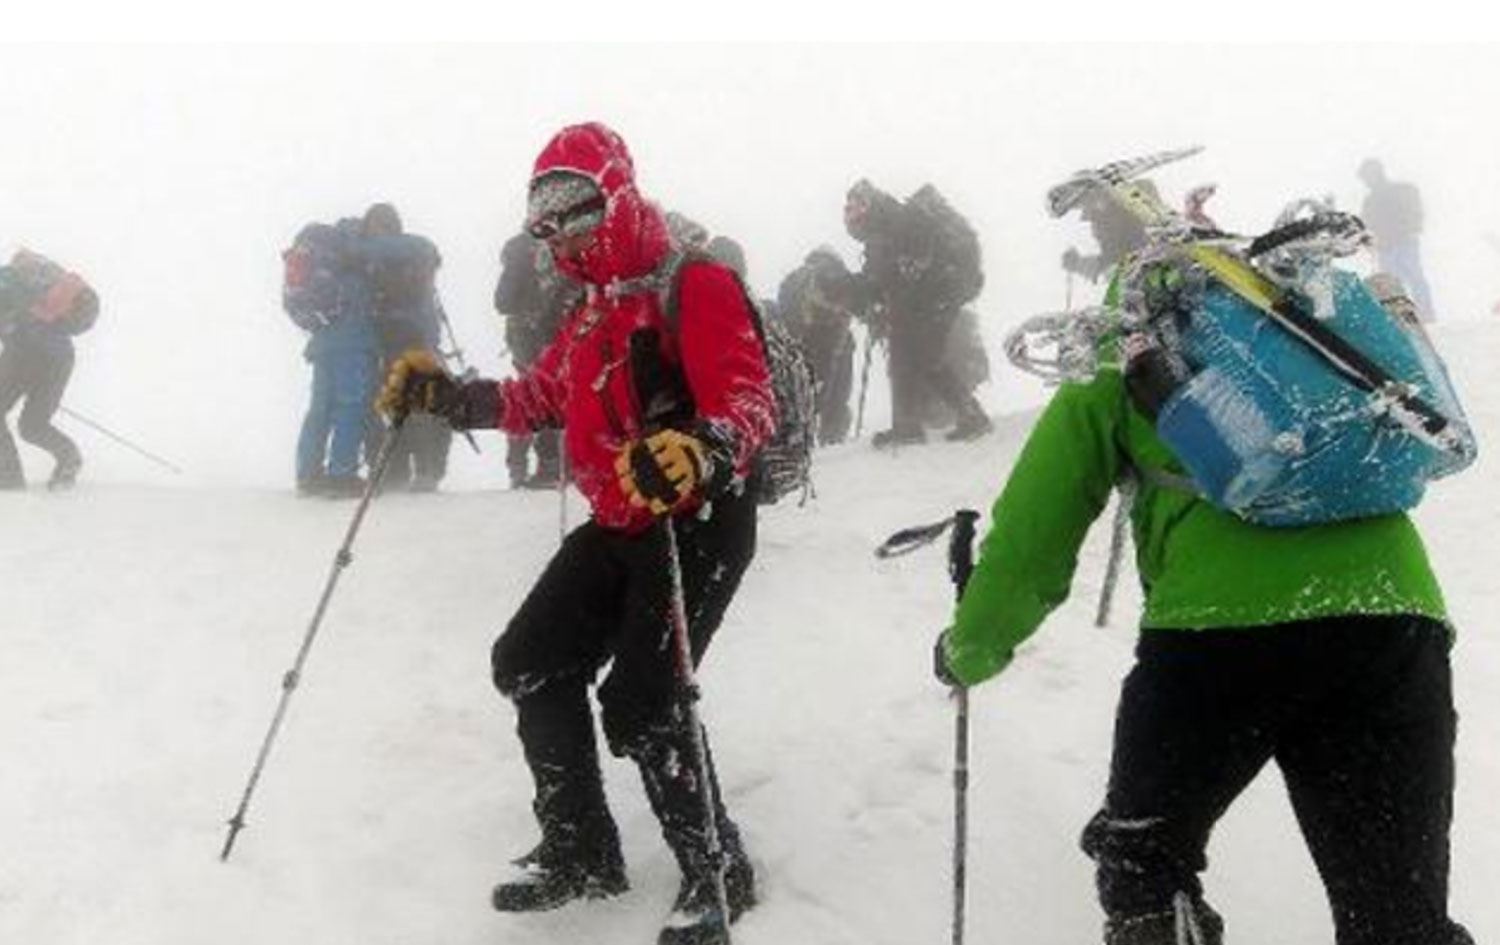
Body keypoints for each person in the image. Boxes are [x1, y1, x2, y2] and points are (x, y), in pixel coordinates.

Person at [936, 229, 1474, 945]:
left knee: (1145, 864)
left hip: (1216, 641)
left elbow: (1038, 530)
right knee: (1398, 914)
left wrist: (971, 646)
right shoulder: (1305, 336)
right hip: (1393, 622)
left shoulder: (1120, 353)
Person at [376, 121, 773, 945]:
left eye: (576, 208)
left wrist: (703, 446)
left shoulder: (692, 281)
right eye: (544, 220)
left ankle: (718, 868)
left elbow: (749, 403)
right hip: (622, 518)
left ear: (617, 193)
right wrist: (449, 398)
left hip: (695, 521)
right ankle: (582, 848)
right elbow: (539, 398)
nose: (561, 232)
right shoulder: (593, 308)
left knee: (640, 699)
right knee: (529, 659)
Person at [844, 179, 991, 448]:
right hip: (936, 295)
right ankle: (954, 417)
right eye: (849, 208)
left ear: (870, 204)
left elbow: (910, 270)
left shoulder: (901, 222)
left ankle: (918, 425)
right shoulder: (887, 229)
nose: (852, 214)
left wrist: (888, 300)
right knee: (918, 356)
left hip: (935, 295)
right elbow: (884, 277)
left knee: (915, 355)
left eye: (856, 207)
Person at [359, 202, 453, 492]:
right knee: (408, 404)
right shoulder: (413, 253)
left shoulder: (404, 252)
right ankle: (413, 470)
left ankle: (413, 470)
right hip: (411, 340)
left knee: (412, 404)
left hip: (408, 340)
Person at [285, 217, 382, 498]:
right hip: (352, 344)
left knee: (319, 409)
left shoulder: (327, 261)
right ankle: (342, 473)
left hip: (322, 343)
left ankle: (307, 474)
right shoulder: (355, 265)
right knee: (349, 406)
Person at [0, 249, 98, 491]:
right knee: (33, 426)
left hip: (26, 353)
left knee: (28, 424)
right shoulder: (23, 280)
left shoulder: (7, 280)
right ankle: (68, 458)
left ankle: (8, 480)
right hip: (58, 360)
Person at [494, 230, 578, 489]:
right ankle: (556, 465)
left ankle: (518, 466)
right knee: (560, 392)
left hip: (525, 334)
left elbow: (503, 302)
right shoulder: (575, 241)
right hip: (564, 330)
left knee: (526, 394)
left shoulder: (519, 248)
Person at [776, 247, 858, 445]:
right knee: (836, 392)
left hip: (799, 342)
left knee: (803, 391)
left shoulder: (794, 278)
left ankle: (796, 437)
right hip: (833, 341)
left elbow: (783, 309)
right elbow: (847, 307)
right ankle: (832, 435)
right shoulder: (835, 274)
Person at [1358, 158, 1435, 322]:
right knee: (1398, 281)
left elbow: (1414, 212)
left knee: (1412, 278)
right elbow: (1366, 224)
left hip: (1402, 242)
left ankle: (1423, 314)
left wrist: (1412, 228)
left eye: (1368, 176)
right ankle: (1406, 316)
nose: (1367, 181)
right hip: (1388, 246)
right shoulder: (1372, 200)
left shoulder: (1399, 191)